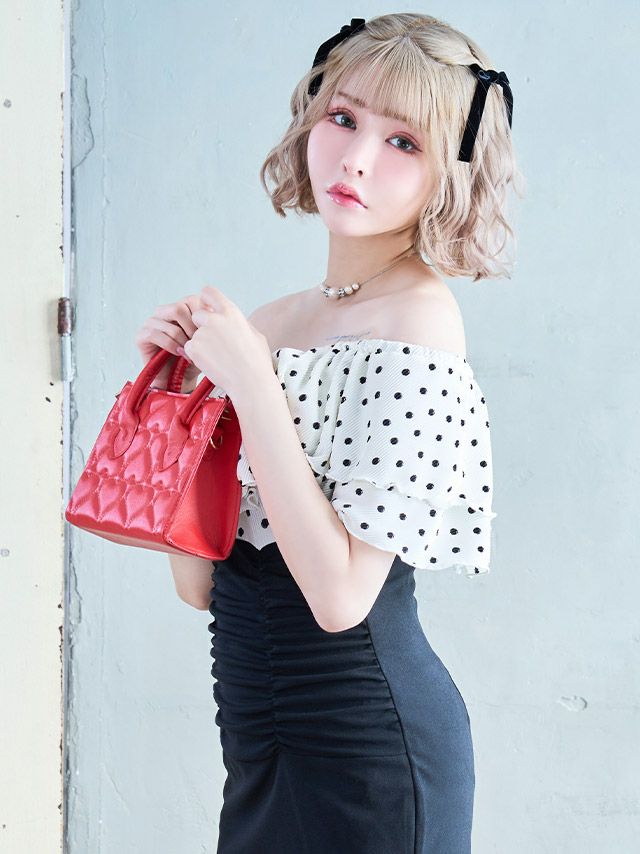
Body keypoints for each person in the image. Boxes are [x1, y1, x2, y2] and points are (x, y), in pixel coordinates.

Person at [135, 11, 523, 853]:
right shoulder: (273, 321)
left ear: (450, 173)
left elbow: (342, 599)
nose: (356, 158)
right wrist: (176, 404)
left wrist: (251, 386)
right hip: (256, 740)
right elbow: (199, 584)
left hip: (368, 755)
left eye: (404, 142)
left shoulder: (420, 326)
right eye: (343, 118)